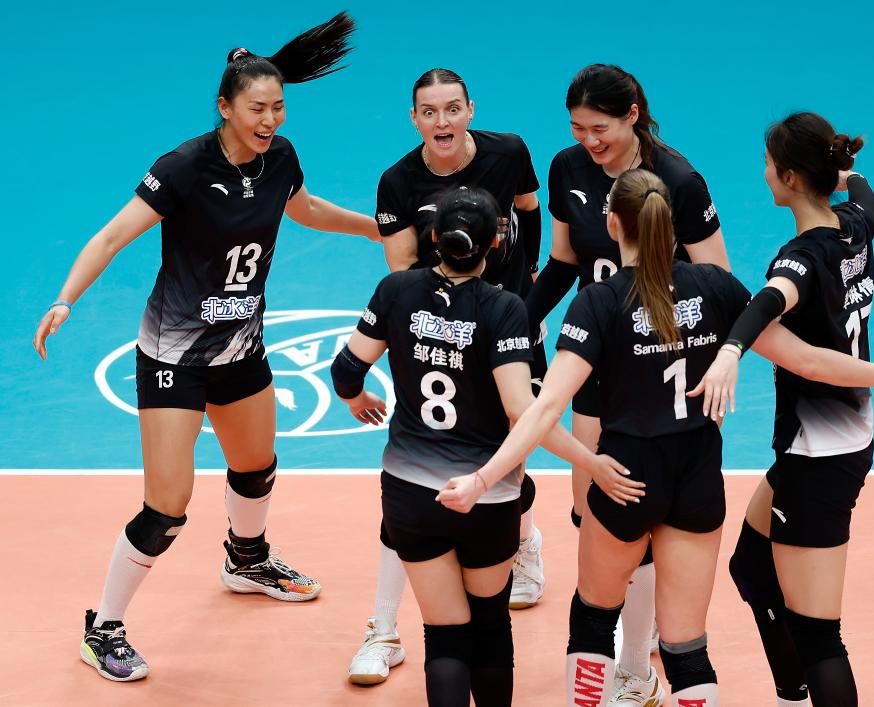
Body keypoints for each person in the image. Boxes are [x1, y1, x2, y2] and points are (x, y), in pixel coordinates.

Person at [438, 168, 874, 707]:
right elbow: (808, 360)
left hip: (626, 476)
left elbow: (544, 409)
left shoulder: (600, 301)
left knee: (594, 619)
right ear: (671, 227)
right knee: (686, 647)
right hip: (697, 477)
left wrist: (483, 479)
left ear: (613, 224)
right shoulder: (716, 287)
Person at [32, 12, 379, 682]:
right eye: (257, 109)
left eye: (277, 107)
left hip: (241, 348)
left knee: (256, 466)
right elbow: (111, 236)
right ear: (225, 108)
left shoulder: (281, 157)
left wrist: (373, 228)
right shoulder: (185, 167)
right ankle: (102, 628)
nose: (269, 119)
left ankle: (246, 561)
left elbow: (304, 208)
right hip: (174, 357)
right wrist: (64, 299)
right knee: (166, 506)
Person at [333, 186, 624, 706]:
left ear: (434, 238)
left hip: (409, 494)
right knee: (489, 624)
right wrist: (590, 461)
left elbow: (346, 369)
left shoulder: (396, 290)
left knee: (444, 633)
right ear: (496, 243)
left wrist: (357, 399)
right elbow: (522, 411)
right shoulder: (503, 307)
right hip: (486, 497)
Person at [693, 113, 874, 706]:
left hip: (818, 462)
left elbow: (775, 313)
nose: (764, 173)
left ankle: (809, 683)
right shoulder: (855, 225)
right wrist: (844, 173)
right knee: (752, 567)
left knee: (820, 635)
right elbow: (864, 189)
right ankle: (792, 690)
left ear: (792, 178)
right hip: (828, 448)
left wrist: (729, 352)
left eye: (769, 164)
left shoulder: (799, 258)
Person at [525, 63, 730, 704]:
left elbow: (717, 280)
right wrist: (516, 322)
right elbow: (563, 262)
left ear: (632, 116)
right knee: (598, 516)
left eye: (601, 128)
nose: (590, 141)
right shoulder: (567, 168)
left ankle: (635, 668)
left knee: (640, 523)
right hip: (595, 355)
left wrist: (719, 360)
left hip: (654, 370)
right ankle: (632, 666)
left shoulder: (679, 180)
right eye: (578, 129)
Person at [349, 67, 547, 686]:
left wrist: (524, 291)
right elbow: (403, 269)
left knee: (508, 461)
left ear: (470, 110)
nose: (442, 121)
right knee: (416, 488)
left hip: (506, 328)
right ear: (414, 119)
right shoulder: (397, 182)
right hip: (442, 326)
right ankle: (383, 629)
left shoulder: (509, 152)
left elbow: (529, 212)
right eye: (429, 112)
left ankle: (524, 542)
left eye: (452, 109)